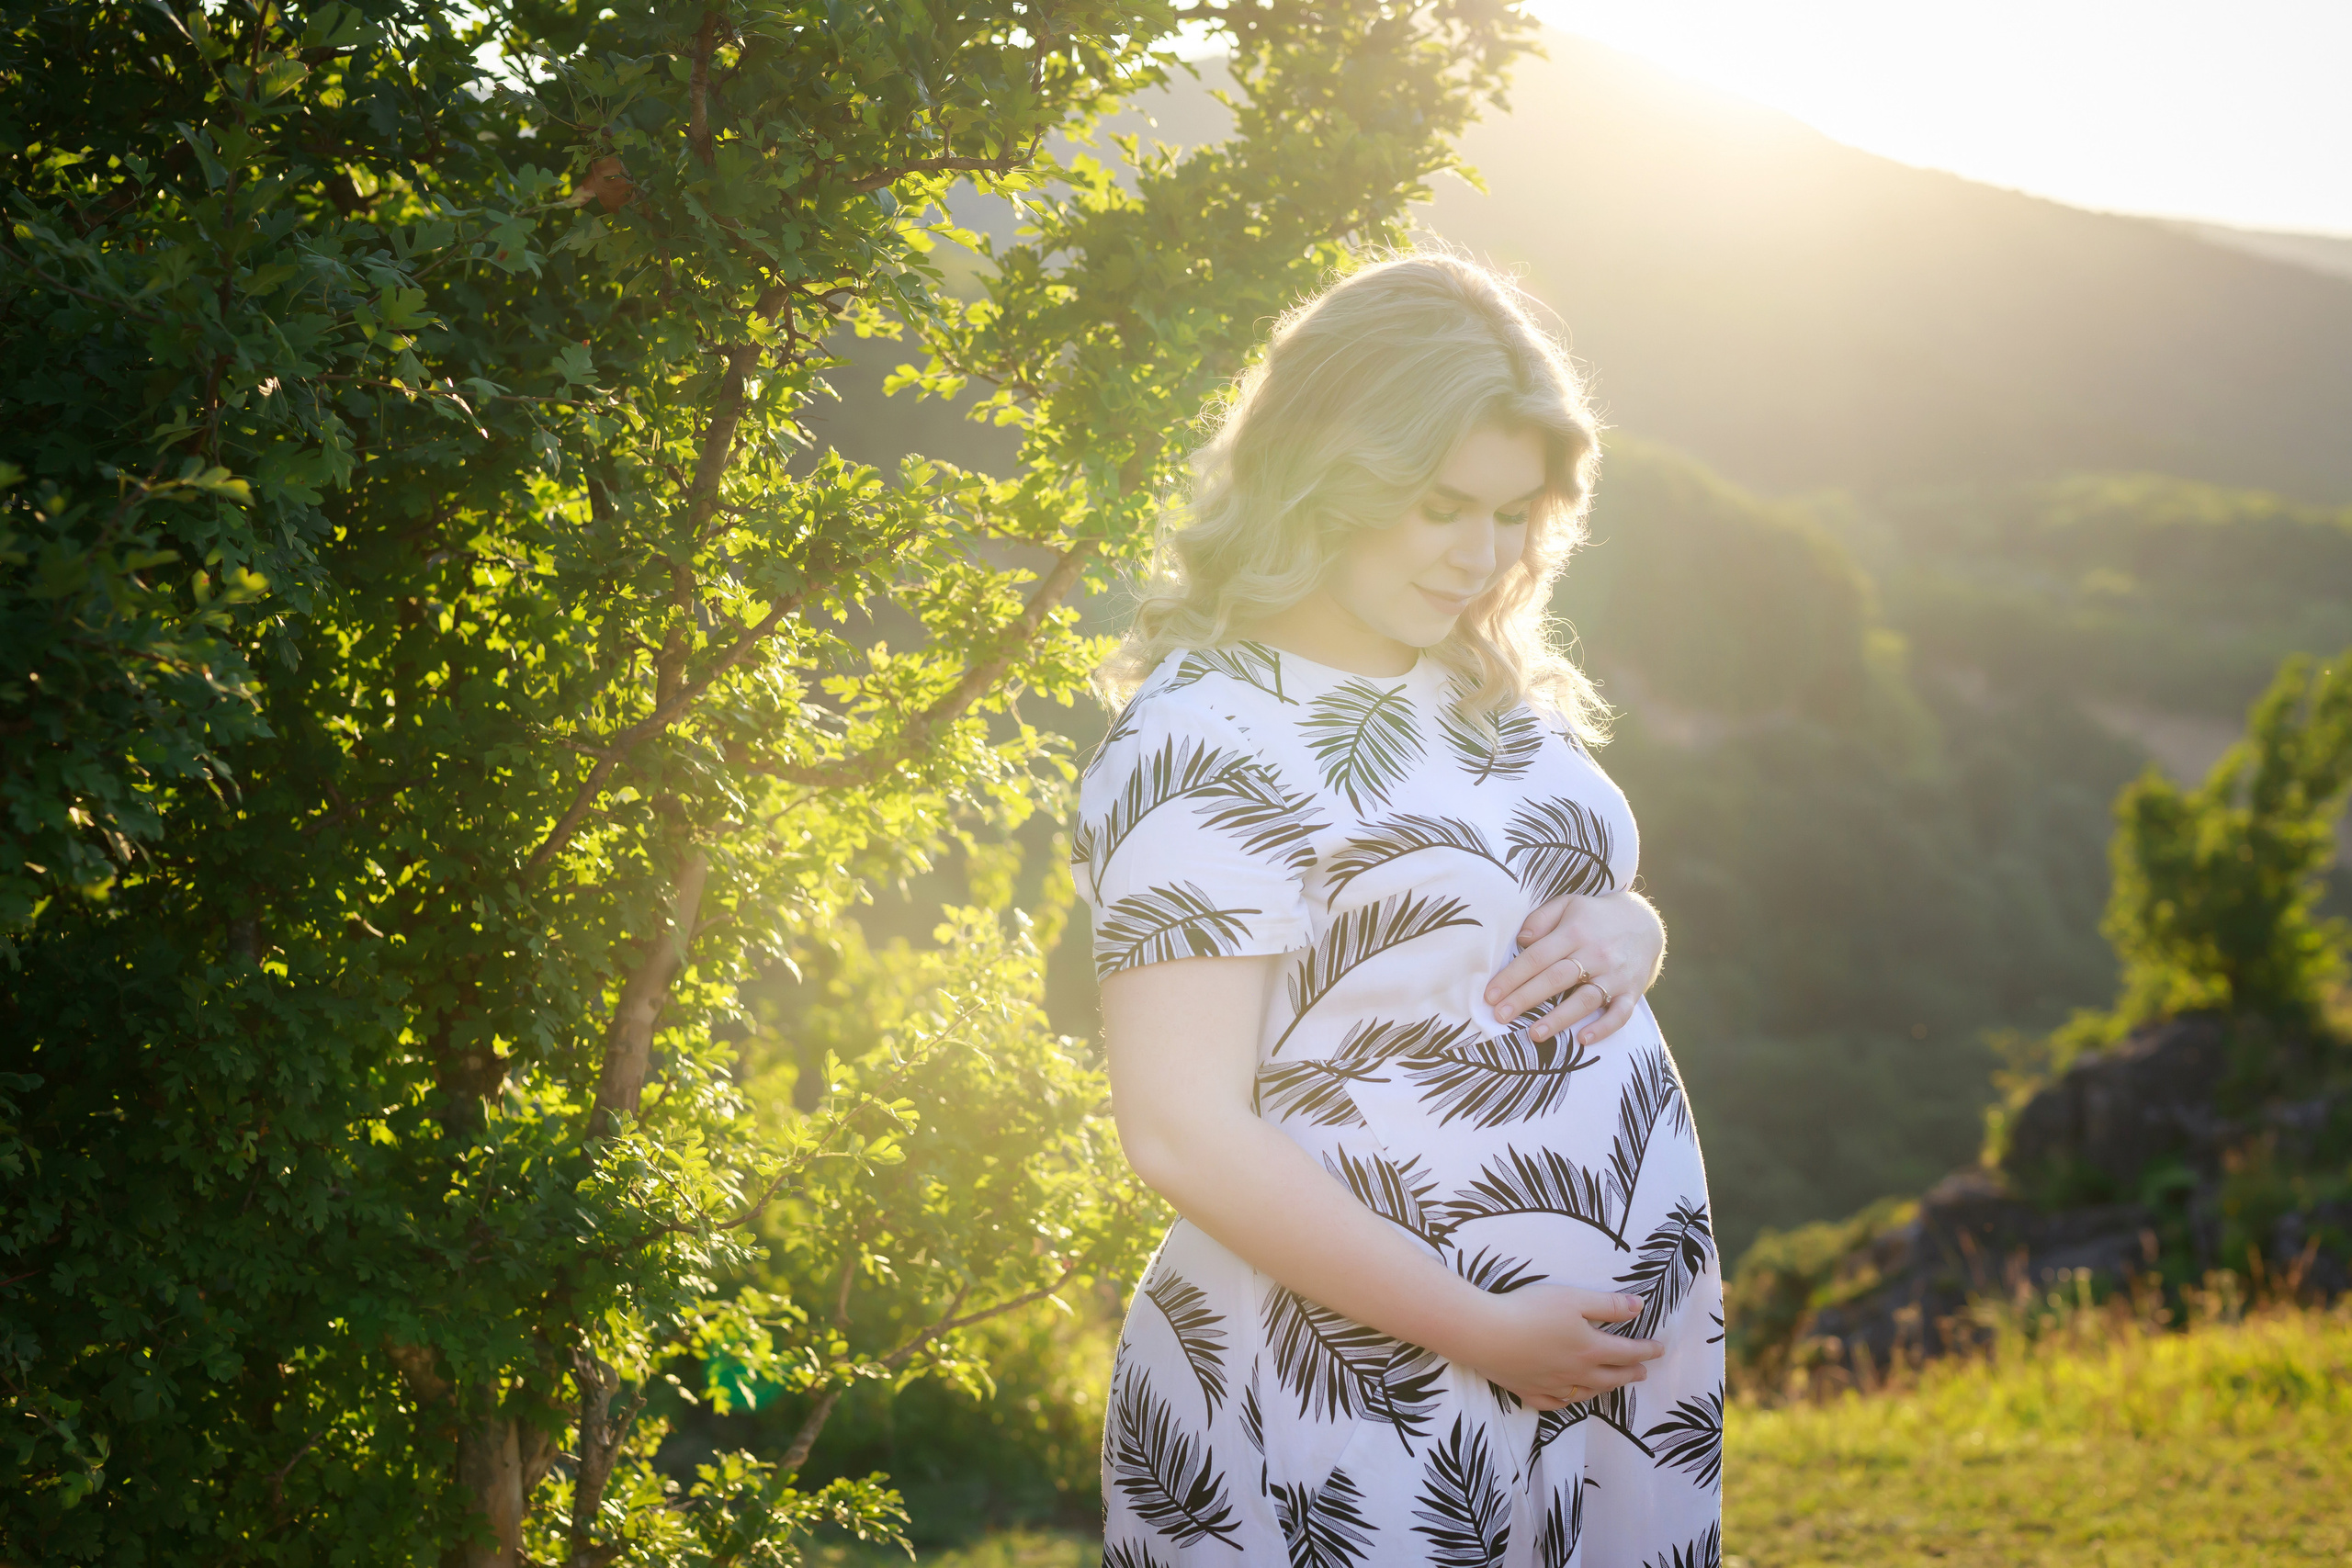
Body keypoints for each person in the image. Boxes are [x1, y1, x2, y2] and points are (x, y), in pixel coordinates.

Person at [1072, 253, 1723, 1567]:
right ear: (1326, 473)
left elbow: (1541, 897)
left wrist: (1633, 931)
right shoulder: (1209, 735)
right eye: (1441, 507)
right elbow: (1180, 1131)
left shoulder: (1479, 681)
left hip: (1582, 1380)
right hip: (1355, 1385)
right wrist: (1481, 1331)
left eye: (1513, 515)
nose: (1482, 556)